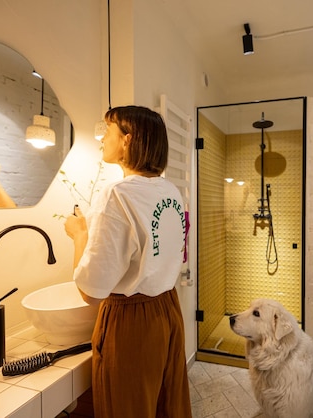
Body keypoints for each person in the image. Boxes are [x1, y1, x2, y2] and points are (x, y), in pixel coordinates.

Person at [64, 106, 191, 418]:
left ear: (126, 140)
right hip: (168, 310)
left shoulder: (117, 194)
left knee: (127, 409)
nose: (102, 140)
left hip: (132, 323)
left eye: (108, 132)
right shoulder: (171, 191)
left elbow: (91, 292)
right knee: (166, 405)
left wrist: (79, 235)